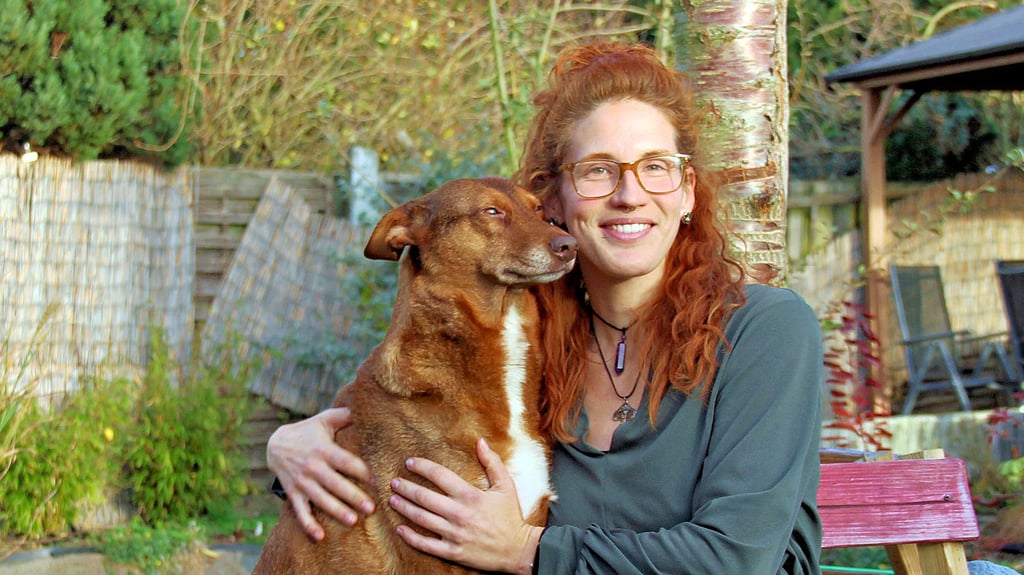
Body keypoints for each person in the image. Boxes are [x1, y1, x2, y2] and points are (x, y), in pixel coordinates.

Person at [267, 42, 824, 574]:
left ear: (687, 192)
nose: (630, 194)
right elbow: (402, 404)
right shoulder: (534, 341)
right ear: (553, 201)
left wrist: (524, 549)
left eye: (656, 166)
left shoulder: (764, 330)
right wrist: (293, 444)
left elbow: (737, 559)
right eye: (598, 170)